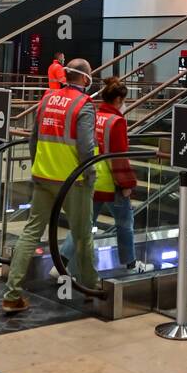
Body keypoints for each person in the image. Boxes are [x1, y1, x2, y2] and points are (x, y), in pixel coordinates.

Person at [2, 58, 101, 314]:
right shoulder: (84, 105)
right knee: (82, 235)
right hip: (73, 182)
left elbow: (34, 139)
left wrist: (38, 167)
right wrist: (90, 175)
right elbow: (86, 147)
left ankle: (12, 293)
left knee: (31, 232)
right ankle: (92, 287)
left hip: (43, 177)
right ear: (86, 79)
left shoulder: (47, 100)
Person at [61, 77, 153, 274]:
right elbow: (120, 157)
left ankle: (61, 260)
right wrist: (127, 183)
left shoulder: (95, 115)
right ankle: (130, 264)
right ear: (119, 99)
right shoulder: (117, 122)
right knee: (125, 224)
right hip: (112, 184)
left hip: (93, 179)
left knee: (83, 223)